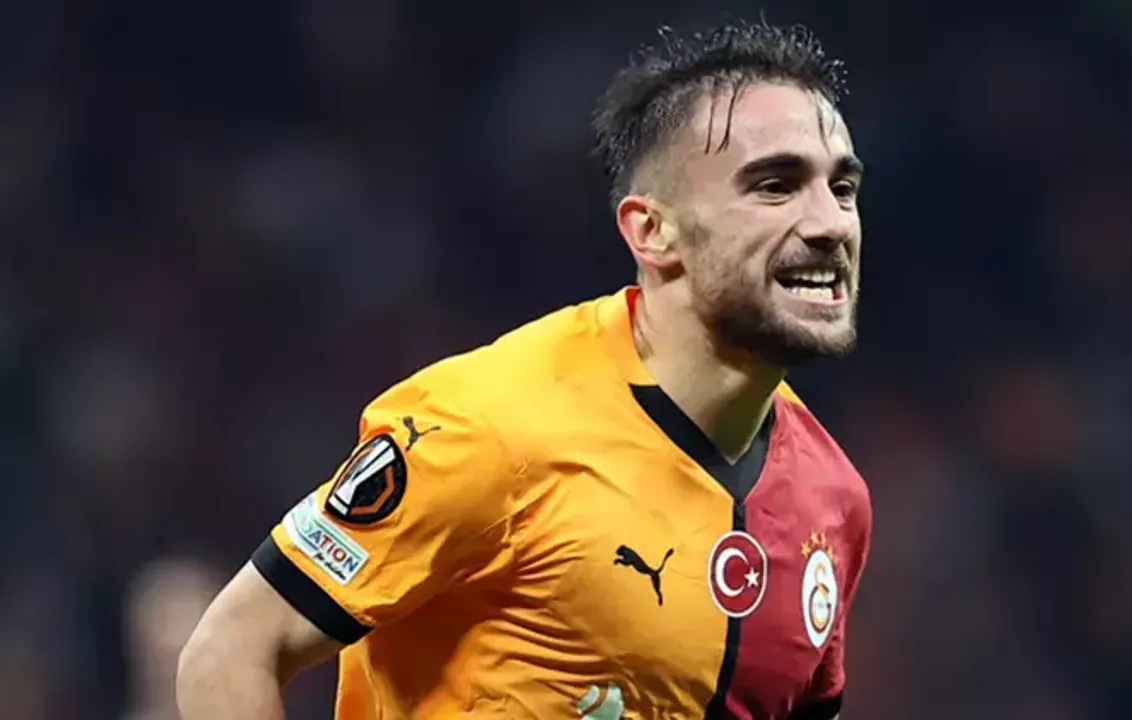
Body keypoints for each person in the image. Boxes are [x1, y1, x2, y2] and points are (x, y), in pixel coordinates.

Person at [178, 18, 872, 720]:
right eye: (776, 186)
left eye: (842, 188)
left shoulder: (833, 500)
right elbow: (230, 651)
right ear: (652, 231)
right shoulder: (489, 427)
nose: (831, 223)